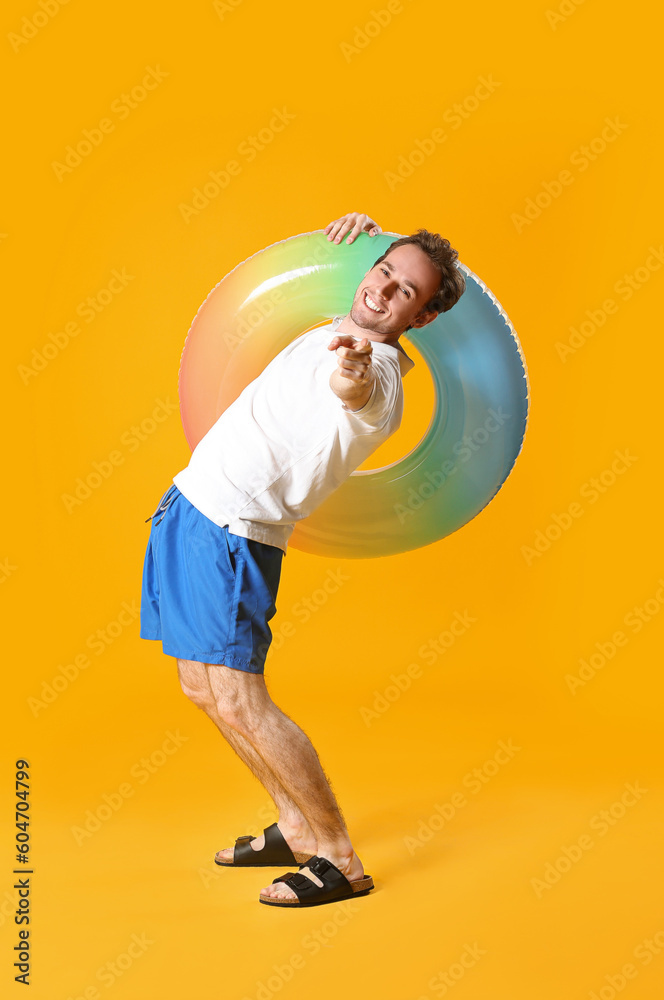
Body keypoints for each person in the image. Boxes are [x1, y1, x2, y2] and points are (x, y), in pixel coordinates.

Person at [140, 211, 466, 907]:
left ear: (423, 317)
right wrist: (369, 235)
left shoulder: (375, 373)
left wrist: (351, 363)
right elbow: (361, 289)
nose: (383, 290)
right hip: (191, 509)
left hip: (233, 530)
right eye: (384, 272)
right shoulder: (337, 321)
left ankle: (340, 858)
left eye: (405, 291)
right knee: (201, 690)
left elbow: (355, 390)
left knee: (240, 699)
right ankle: (294, 825)